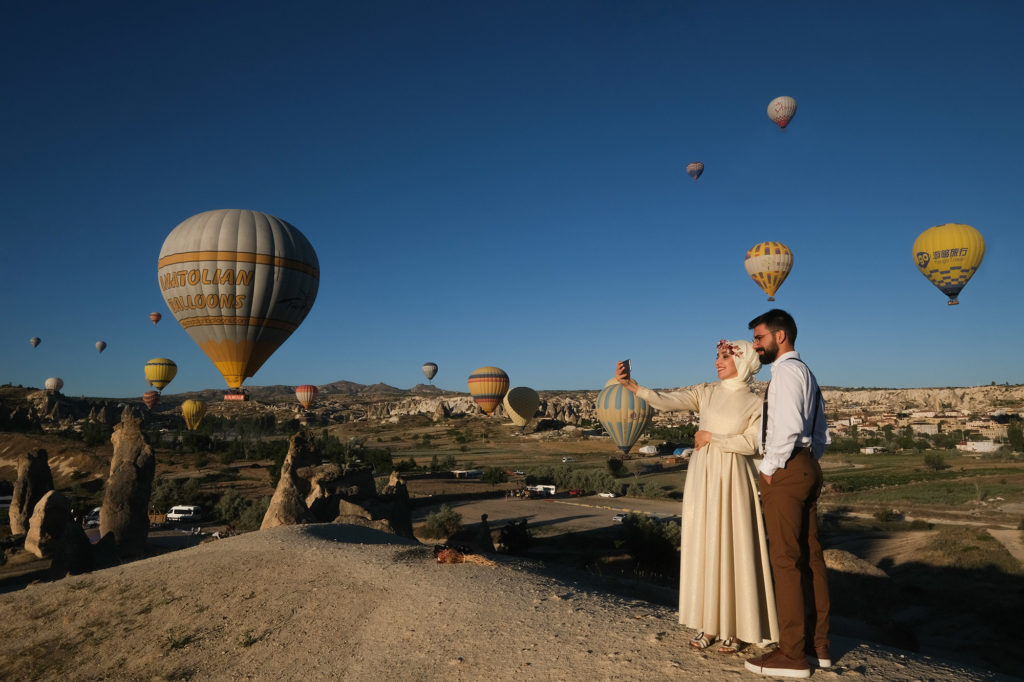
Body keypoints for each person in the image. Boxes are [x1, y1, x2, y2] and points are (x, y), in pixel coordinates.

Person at [616, 339, 779, 654]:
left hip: (733, 479)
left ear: (743, 362)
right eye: (716, 357)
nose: (717, 362)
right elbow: (668, 400)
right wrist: (634, 388)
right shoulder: (707, 393)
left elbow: (753, 444)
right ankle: (709, 624)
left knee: (734, 546)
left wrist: (712, 437)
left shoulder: (756, 404)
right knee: (706, 546)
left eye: (724, 357)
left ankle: (738, 628)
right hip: (703, 477)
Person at [744, 309, 831, 679]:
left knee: (785, 560)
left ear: (780, 336)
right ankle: (818, 645)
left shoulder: (785, 372)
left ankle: (792, 654)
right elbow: (822, 429)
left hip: (787, 469)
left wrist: (770, 468)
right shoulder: (806, 372)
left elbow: (790, 426)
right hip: (806, 464)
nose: (756, 346)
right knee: (810, 557)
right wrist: (808, 459)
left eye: (759, 338)